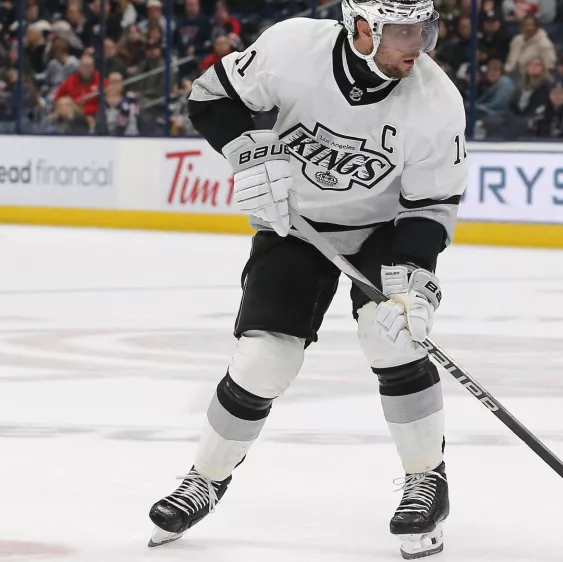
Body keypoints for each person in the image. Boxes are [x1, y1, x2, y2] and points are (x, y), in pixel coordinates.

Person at [147, 1, 467, 560]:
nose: (417, 44)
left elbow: (430, 207)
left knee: (392, 334)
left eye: (424, 30)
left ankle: (427, 478)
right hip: (296, 220)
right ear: (361, 29)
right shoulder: (294, 48)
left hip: (385, 228)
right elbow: (209, 98)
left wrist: (414, 283)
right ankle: (206, 478)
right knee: (263, 360)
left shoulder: (437, 103)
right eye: (402, 32)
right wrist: (249, 154)